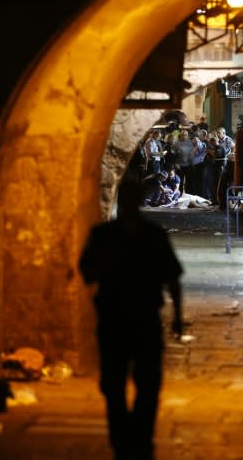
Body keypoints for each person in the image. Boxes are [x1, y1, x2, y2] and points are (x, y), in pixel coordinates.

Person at [79, 179, 183, 460]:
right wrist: (177, 317)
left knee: (141, 382)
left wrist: (179, 316)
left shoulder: (111, 235)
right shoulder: (144, 235)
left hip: (130, 317)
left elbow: (172, 277)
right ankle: (128, 437)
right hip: (127, 317)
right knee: (119, 383)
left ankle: (132, 436)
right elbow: (172, 278)